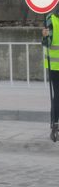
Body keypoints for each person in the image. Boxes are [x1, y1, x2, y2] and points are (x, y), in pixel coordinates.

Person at [42, 10, 59, 142]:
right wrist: (45, 36)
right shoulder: (51, 19)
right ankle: (55, 124)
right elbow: (47, 43)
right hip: (55, 66)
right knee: (58, 95)